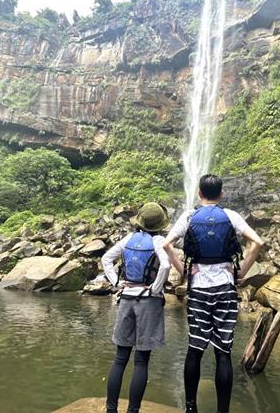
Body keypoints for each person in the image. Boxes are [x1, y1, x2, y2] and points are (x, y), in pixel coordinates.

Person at [163, 175, 264, 413]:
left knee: (195, 349)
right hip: (225, 289)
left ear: (199, 193)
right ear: (221, 194)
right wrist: (241, 271)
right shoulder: (231, 216)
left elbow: (167, 244)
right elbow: (257, 243)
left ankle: (190, 408)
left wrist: (183, 271)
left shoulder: (189, 216)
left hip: (198, 288)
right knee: (223, 352)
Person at [102, 202, 171, 413]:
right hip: (148, 302)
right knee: (141, 361)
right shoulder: (158, 241)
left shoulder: (128, 239)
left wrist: (116, 282)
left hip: (126, 299)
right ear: (159, 224)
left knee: (120, 358)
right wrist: (155, 289)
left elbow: (106, 259)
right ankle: (132, 411)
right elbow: (166, 265)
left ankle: (111, 409)